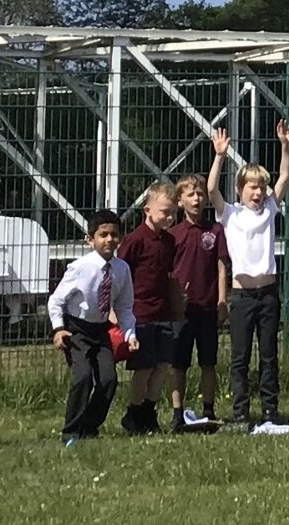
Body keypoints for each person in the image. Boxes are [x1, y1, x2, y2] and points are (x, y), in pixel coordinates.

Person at [205, 121, 289, 432]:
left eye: (261, 187)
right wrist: (219, 156)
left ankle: (270, 410)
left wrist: (285, 146)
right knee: (240, 358)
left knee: (268, 356)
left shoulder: (271, 209)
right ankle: (241, 413)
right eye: (251, 187)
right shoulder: (229, 214)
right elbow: (211, 190)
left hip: (268, 294)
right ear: (240, 190)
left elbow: (285, 177)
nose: (257, 192)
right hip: (241, 296)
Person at [48, 209, 136, 444]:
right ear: (90, 239)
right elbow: (56, 300)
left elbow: (125, 306)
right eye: (103, 234)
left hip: (101, 330)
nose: (109, 240)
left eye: (114, 235)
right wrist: (58, 329)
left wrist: (130, 334)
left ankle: (89, 426)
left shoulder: (122, 269)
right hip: (76, 330)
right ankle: (71, 430)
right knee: (83, 377)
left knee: (108, 380)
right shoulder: (80, 268)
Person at [115, 182, 184, 434]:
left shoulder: (169, 241)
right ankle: (133, 413)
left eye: (173, 212)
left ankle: (149, 411)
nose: (169, 217)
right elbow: (120, 274)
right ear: (147, 209)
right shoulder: (134, 241)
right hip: (139, 313)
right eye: (165, 211)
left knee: (162, 366)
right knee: (143, 368)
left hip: (163, 311)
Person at [167, 174, 223, 431]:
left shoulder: (215, 230)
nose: (197, 199)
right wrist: (173, 298)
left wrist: (223, 300)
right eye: (190, 194)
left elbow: (222, 267)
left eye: (200, 194)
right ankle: (177, 413)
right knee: (178, 363)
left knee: (208, 362)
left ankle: (208, 410)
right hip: (181, 311)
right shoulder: (173, 235)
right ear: (180, 201)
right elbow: (167, 271)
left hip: (208, 306)